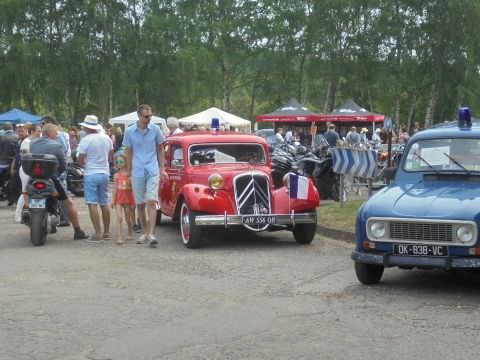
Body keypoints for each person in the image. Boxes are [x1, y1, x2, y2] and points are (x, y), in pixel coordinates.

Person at [30, 123, 88, 240]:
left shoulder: (32, 143)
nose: (57, 136)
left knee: (26, 194)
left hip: (34, 177)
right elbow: (62, 166)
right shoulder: (57, 146)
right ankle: (78, 231)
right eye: (55, 133)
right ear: (49, 133)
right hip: (51, 178)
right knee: (68, 202)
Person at [123, 104, 166, 247]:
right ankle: (144, 232)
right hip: (137, 170)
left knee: (152, 201)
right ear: (139, 116)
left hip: (152, 169)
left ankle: (152, 234)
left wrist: (162, 168)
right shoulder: (129, 131)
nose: (149, 118)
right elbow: (127, 152)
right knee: (140, 203)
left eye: (150, 116)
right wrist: (128, 171)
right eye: (147, 116)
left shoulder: (155, 129)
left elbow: (161, 149)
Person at [77, 115, 114, 243]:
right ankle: (107, 232)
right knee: (104, 202)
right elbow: (110, 157)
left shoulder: (86, 140)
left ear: (87, 127)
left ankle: (98, 234)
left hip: (91, 173)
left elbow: (80, 160)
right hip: (104, 173)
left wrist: (84, 162)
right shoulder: (107, 138)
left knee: (92, 203)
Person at [14, 124, 41, 222]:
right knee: (25, 191)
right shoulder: (26, 142)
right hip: (26, 169)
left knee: (27, 192)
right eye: (38, 131)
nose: (40, 133)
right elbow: (25, 157)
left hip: (32, 169)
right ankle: (17, 216)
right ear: (32, 132)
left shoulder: (34, 141)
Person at [111, 154, 135, 244]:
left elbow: (133, 190)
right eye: (118, 162)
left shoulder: (130, 175)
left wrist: (134, 202)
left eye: (121, 161)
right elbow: (115, 189)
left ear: (126, 162)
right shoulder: (116, 175)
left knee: (128, 218)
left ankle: (129, 231)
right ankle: (119, 236)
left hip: (127, 200)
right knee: (119, 217)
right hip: (118, 199)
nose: (119, 164)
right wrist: (112, 200)